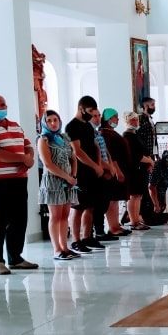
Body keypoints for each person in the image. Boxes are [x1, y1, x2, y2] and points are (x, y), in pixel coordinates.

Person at [0, 94, 39, 276]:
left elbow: (28, 146)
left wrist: (29, 159)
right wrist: (23, 159)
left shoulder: (14, 125)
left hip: (18, 177)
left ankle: (15, 258)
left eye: (2, 104)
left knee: (19, 219)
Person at [66, 96, 111, 253]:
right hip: (81, 172)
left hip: (93, 172)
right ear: (81, 108)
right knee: (78, 207)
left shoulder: (87, 126)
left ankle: (87, 237)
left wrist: (98, 165)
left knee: (91, 206)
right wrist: (93, 165)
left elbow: (95, 146)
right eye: (90, 111)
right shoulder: (72, 126)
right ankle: (76, 240)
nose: (92, 114)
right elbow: (77, 151)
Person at [36, 110, 78, 260]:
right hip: (53, 181)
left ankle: (65, 247)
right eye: (49, 121)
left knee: (65, 215)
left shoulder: (64, 138)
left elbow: (73, 158)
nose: (53, 123)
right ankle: (57, 249)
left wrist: (73, 176)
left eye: (55, 120)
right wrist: (67, 177)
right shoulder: (43, 140)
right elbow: (48, 164)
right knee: (55, 216)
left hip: (68, 181)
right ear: (44, 123)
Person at [99, 109, 131, 234]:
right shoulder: (105, 134)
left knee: (116, 199)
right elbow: (112, 155)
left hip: (120, 169)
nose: (117, 119)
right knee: (112, 199)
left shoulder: (110, 132)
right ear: (108, 119)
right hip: (114, 171)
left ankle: (116, 225)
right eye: (115, 117)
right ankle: (113, 227)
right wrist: (117, 171)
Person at [121, 111, 152, 230]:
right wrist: (150, 161)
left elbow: (143, 151)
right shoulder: (127, 136)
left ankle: (136, 220)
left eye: (136, 119)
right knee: (134, 196)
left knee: (138, 196)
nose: (135, 122)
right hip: (133, 171)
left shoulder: (135, 134)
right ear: (127, 121)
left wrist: (149, 161)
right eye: (132, 120)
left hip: (140, 170)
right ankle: (134, 221)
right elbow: (135, 155)